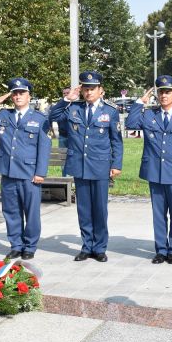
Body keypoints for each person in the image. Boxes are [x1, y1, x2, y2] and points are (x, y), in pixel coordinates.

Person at [49, 71, 123, 263]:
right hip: (80, 166)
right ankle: (86, 246)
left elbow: (116, 140)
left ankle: (100, 248)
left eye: (92, 89)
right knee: (83, 209)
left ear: (100, 90)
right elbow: (53, 115)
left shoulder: (110, 111)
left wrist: (116, 164)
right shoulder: (73, 108)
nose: (89, 92)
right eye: (86, 89)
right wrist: (68, 98)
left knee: (100, 209)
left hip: (100, 166)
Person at [0, 78, 51, 260]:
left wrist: (40, 172)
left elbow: (44, 147)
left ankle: (30, 246)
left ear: (29, 95)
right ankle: (16, 245)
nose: (18, 96)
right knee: (11, 211)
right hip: (8, 172)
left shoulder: (40, 119)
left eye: (21, 93)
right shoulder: (3, 115)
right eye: (14, 93)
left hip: (29, 174)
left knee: (31, 213)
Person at [125, 76, 172, 265]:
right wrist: (139, 103)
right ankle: (161, 250)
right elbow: (131, 124)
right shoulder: (149, 114)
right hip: (155, 171)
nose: (163, 95)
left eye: (168, 92)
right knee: (158, 213)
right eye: (161, 92)